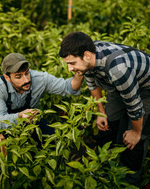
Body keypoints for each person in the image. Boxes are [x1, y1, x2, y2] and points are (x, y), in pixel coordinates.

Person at [59, 31, 150, 185]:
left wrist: (136, 132)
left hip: (145, 89)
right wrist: (100, 112)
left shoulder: (118, 69)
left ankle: (128, 180)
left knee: (136, 140)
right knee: (108, 124)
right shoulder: (89, 59)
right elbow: (92, 84)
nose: (70, 69)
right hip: (118, 86)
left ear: (86, 55)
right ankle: (104, 168)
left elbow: (135, 105)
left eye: (72, 63)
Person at [0, 53, 83, 135]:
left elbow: (68, 87)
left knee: (53, 137)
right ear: (7, 77)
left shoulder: (39, 79)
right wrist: (20, 116)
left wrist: (81, 70)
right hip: (6, 125)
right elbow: (0, 120)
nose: (26, 80)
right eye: (18, 76)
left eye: (27, 73)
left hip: (31, 121)